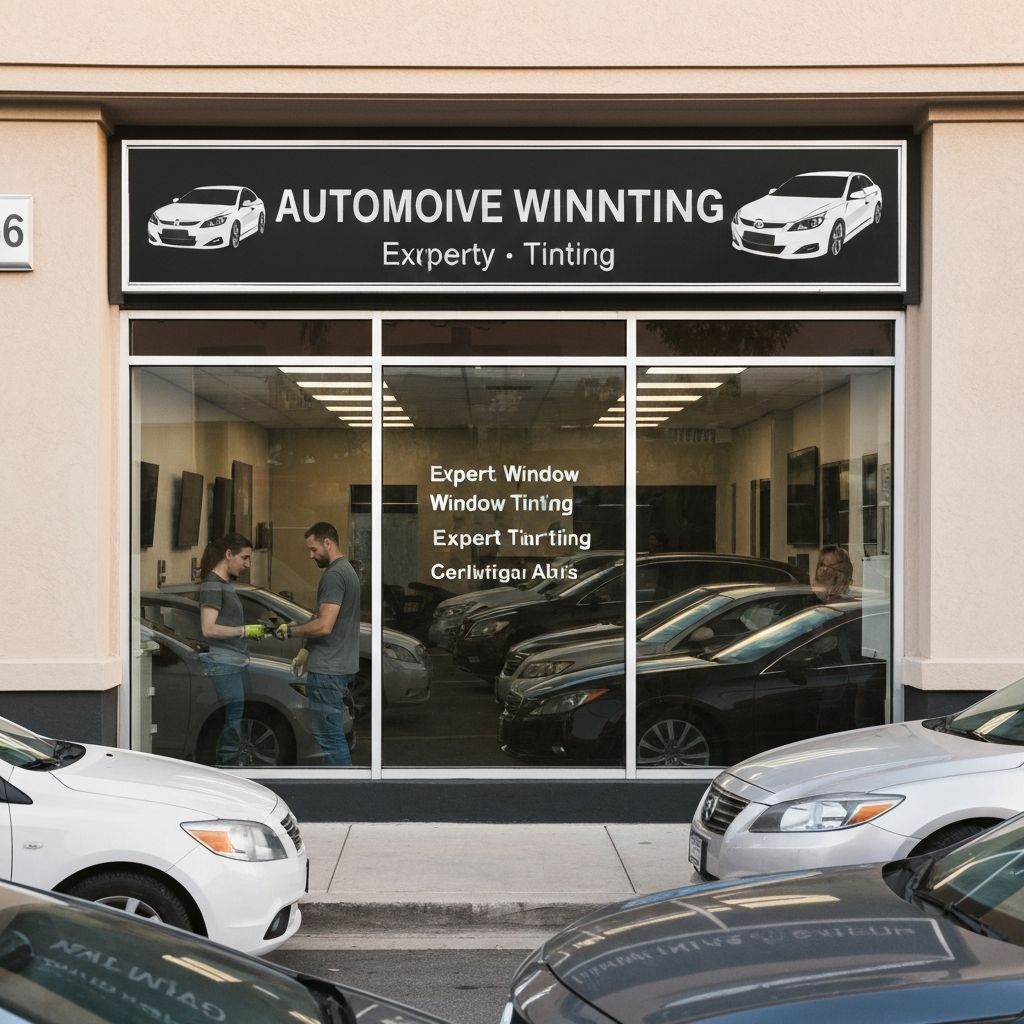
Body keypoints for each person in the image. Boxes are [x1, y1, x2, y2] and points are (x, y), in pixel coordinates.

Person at [275, 521, 360, 766]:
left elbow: (324, 625)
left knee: (330, 737)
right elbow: (320, 616)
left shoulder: (334, 575)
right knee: (332, 735)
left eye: (313, 549)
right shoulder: (347, 571)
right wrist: (305, 648)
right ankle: (342, 783)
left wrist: (290, 632)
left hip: (327, 670)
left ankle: (342, 785)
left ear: (328, 543)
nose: (311, 555)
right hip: (338, 665)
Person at [197, 532, 267, 766]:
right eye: (245, 558)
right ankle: (229, 765)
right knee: (233, 718)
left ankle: (233, 762)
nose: (247, 564)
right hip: (223, 663)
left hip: (234, 662)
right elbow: (208, 629)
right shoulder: (212, 585)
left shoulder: (224, 584)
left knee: (237, 717)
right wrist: (244, 631)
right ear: (229, 554)